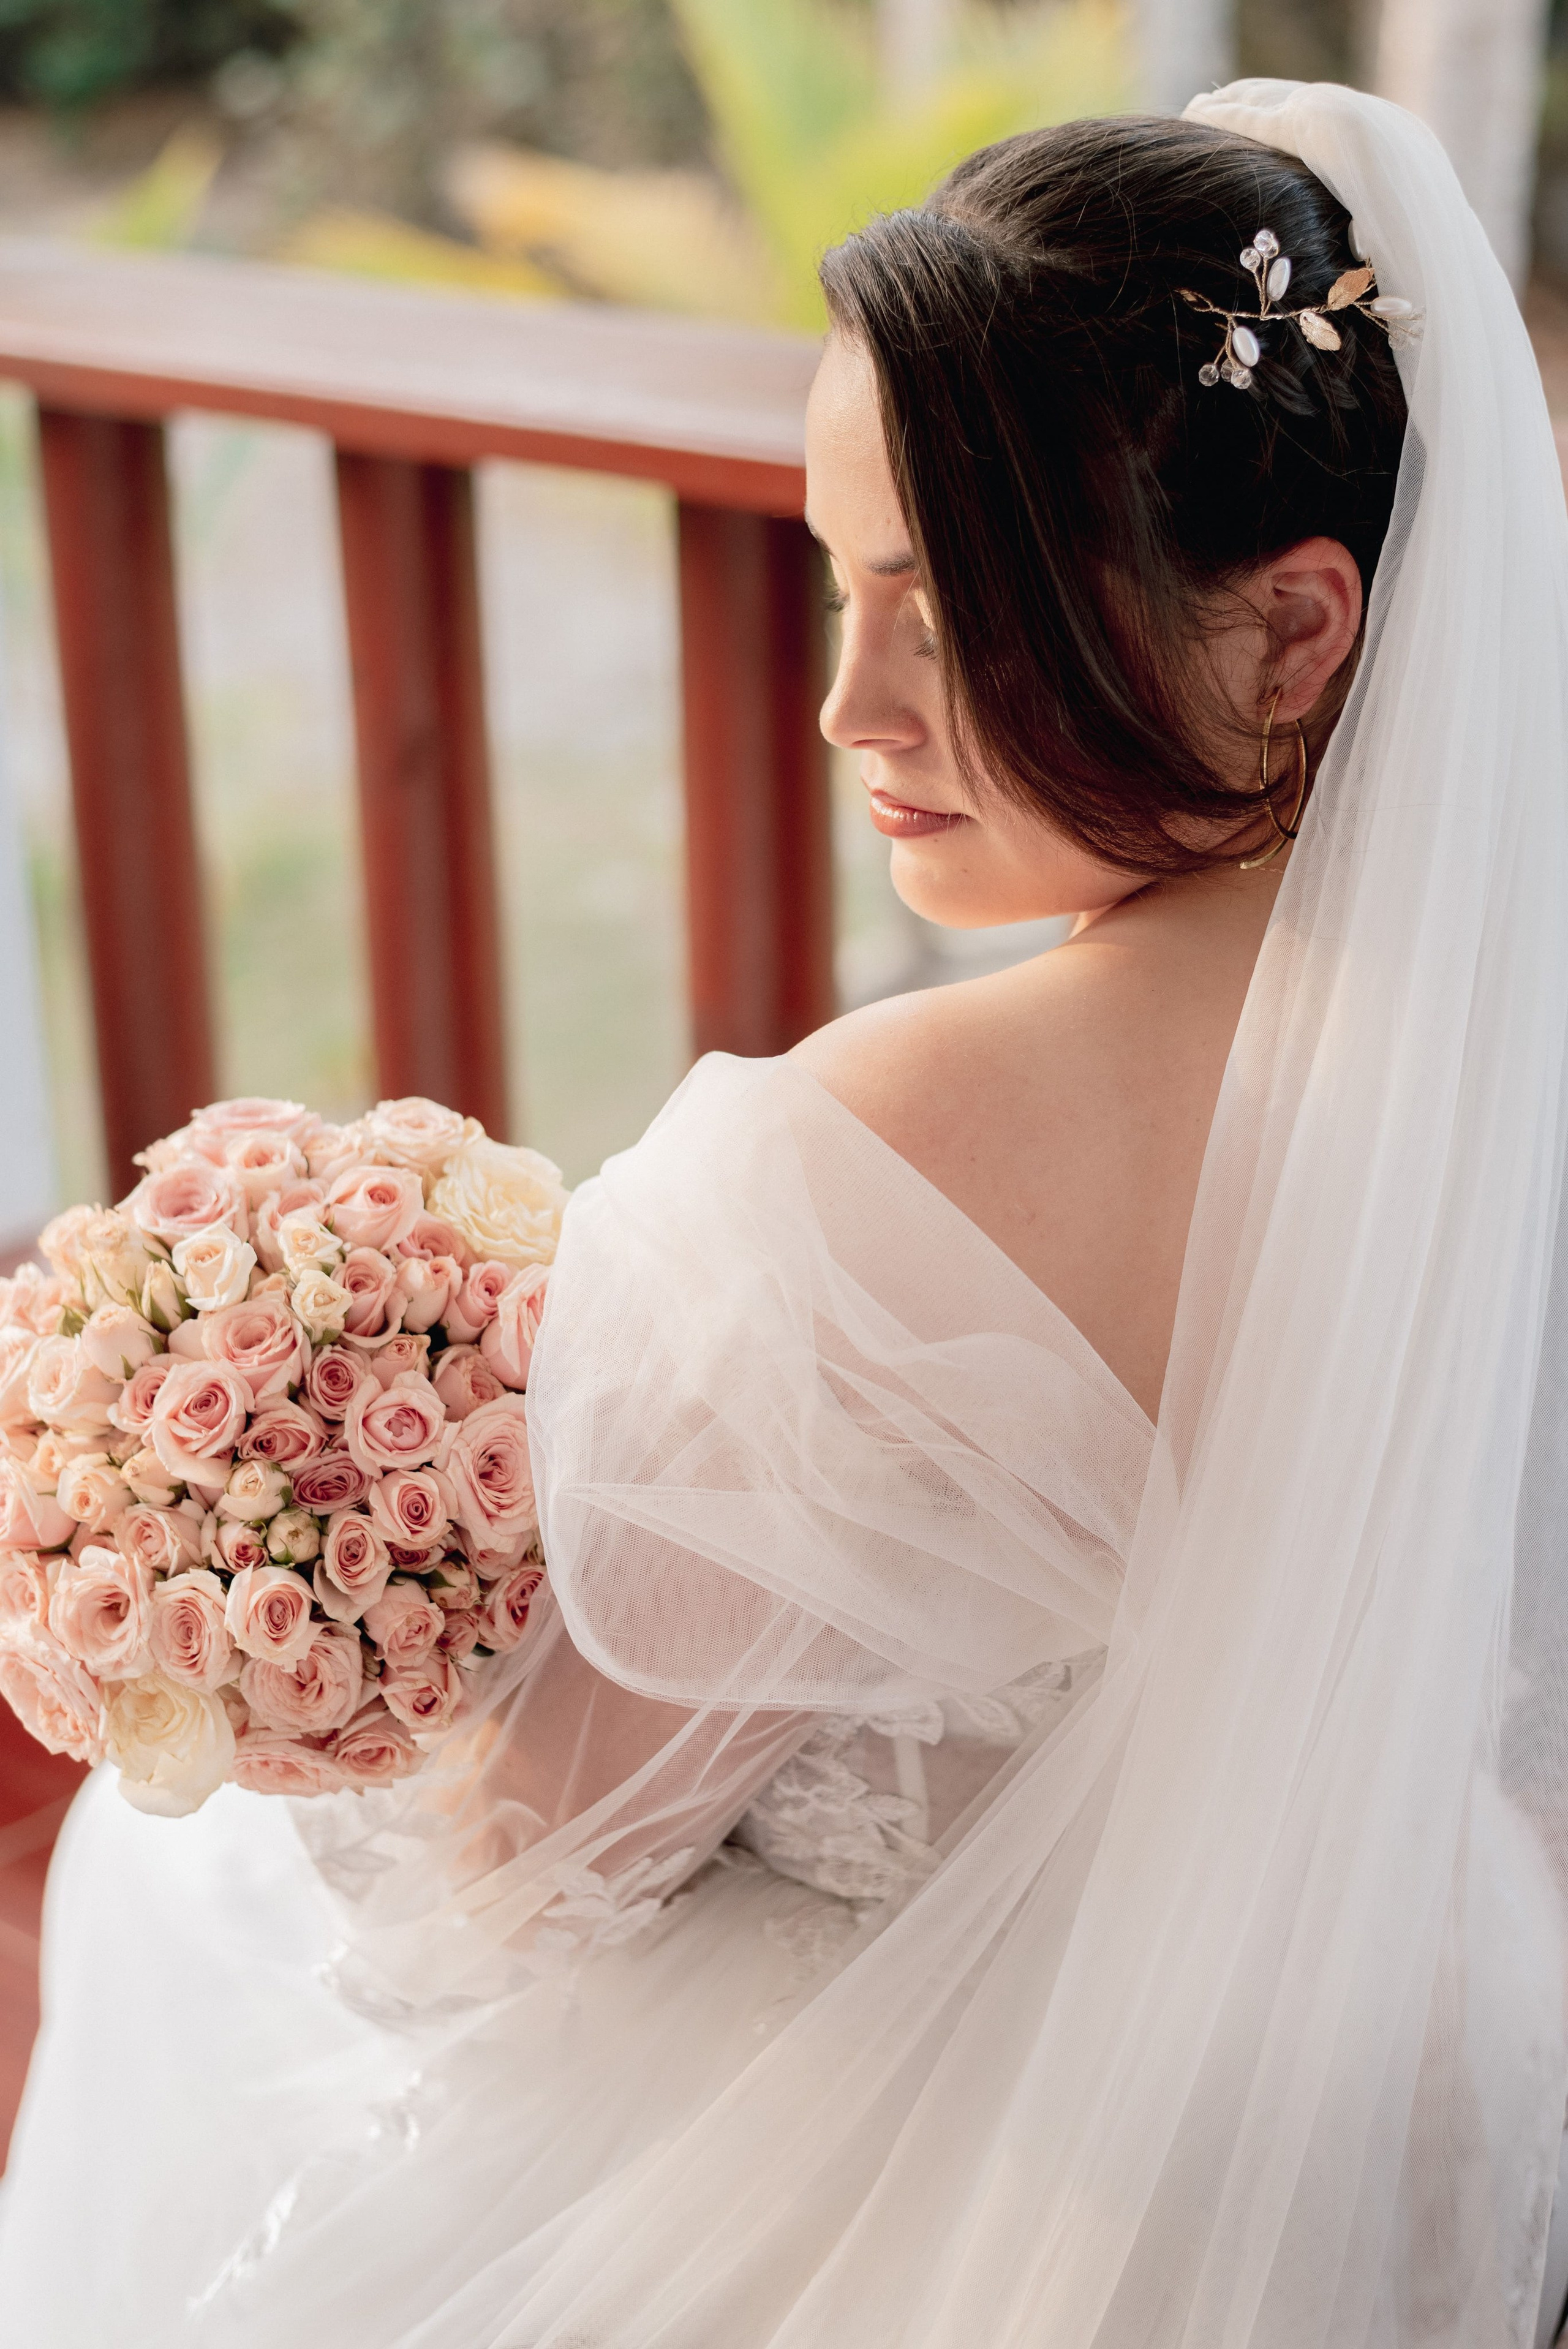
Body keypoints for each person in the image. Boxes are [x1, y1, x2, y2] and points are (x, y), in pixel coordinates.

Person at [2, 75, 1567, 2348]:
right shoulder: (1493, 1081)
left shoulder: (894, 1143)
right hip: (1381, 2116)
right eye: (846, 585)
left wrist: (335, 1631)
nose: (850, 701)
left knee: (183, 1906)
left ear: (1298, 633)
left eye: (953, 610)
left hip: (962, 2183)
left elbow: (527, 1879)